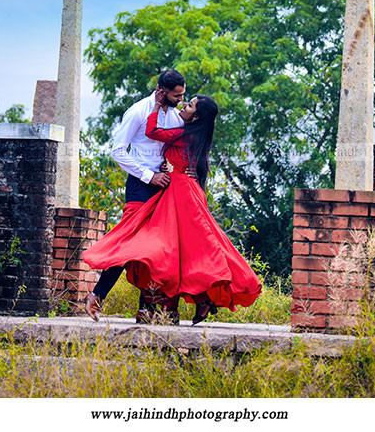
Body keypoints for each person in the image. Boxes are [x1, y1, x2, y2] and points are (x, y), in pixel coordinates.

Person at [84, 89, 262, 325]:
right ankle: (198, 300)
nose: (183, 104)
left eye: (188, 104)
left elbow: (153, 132)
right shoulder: (183, 128)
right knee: (181, 250)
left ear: (196, 117)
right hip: (171, 189)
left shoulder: (184, 132)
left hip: (179, 192)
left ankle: (172, 304)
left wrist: (157, 108)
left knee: (181, 250)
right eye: (181, 99)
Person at [83, 70, 187, 321]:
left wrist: (166, 167)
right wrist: (149, 175)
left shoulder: (176, 116)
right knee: (130, 244)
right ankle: (96, 295)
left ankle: (146, 309)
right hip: (140, 186)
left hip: (164, 187)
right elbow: (117, 151)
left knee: (153, 250)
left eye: (183, 95)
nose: (180, 100)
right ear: (162, 90)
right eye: (177, 96)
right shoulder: (139, 111)